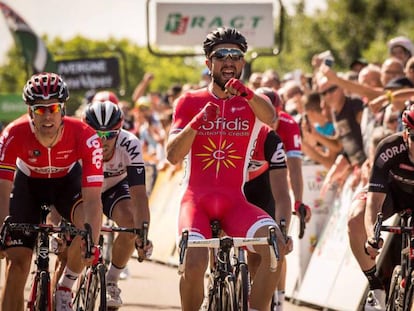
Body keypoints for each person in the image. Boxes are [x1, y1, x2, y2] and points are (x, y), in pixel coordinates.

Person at [166, 27, 286, 311]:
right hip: (197, 201)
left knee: (274, 248)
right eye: (221, 55)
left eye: (236, 55)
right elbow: (172, 155)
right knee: (194, 263)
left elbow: (272, 119)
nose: (229, 61)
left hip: (235, 201)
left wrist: (246, 94)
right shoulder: (189, 101)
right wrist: (197, 122)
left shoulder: (253, 103)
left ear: (243, 63)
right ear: (209, 63)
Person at [0, 72, 104, 311]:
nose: (47, 116)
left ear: (63, 109)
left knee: (85, 231)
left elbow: (93, 200)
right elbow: (2, 190)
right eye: (40, 110)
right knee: (17, 264)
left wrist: (93, 242)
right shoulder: (12, 134)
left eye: (53, 108)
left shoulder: (85, 136)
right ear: (30, 112)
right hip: (27, 185)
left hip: (66, 184)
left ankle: (65, 288)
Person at [247, 87, 311, 311]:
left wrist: (299, 201)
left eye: (272, 118)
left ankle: (278, 302)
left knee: (276, 241)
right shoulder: (245, 122)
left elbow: (294, 169)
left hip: (268, 178)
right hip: (242, 180)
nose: (267, 122)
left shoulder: (288, 125)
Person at [83, 98, 152, 308]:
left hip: (114, 187)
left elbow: (139, 194)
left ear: (120, 131)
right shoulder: (79, 140)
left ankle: (112, 280)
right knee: (73, 235)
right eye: (97, 134)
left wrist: (142, 234)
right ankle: (66, 282)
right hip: (86, 186)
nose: (103, 141)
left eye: (110, 135)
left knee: (130, 223)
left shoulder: (130, 144)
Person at [363, 104, 414, 310]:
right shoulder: (389, 148)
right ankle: (375, 286)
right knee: (356, 215)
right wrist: (371, 236)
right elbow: (373, 201)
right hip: (392, 195)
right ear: (405, 134)